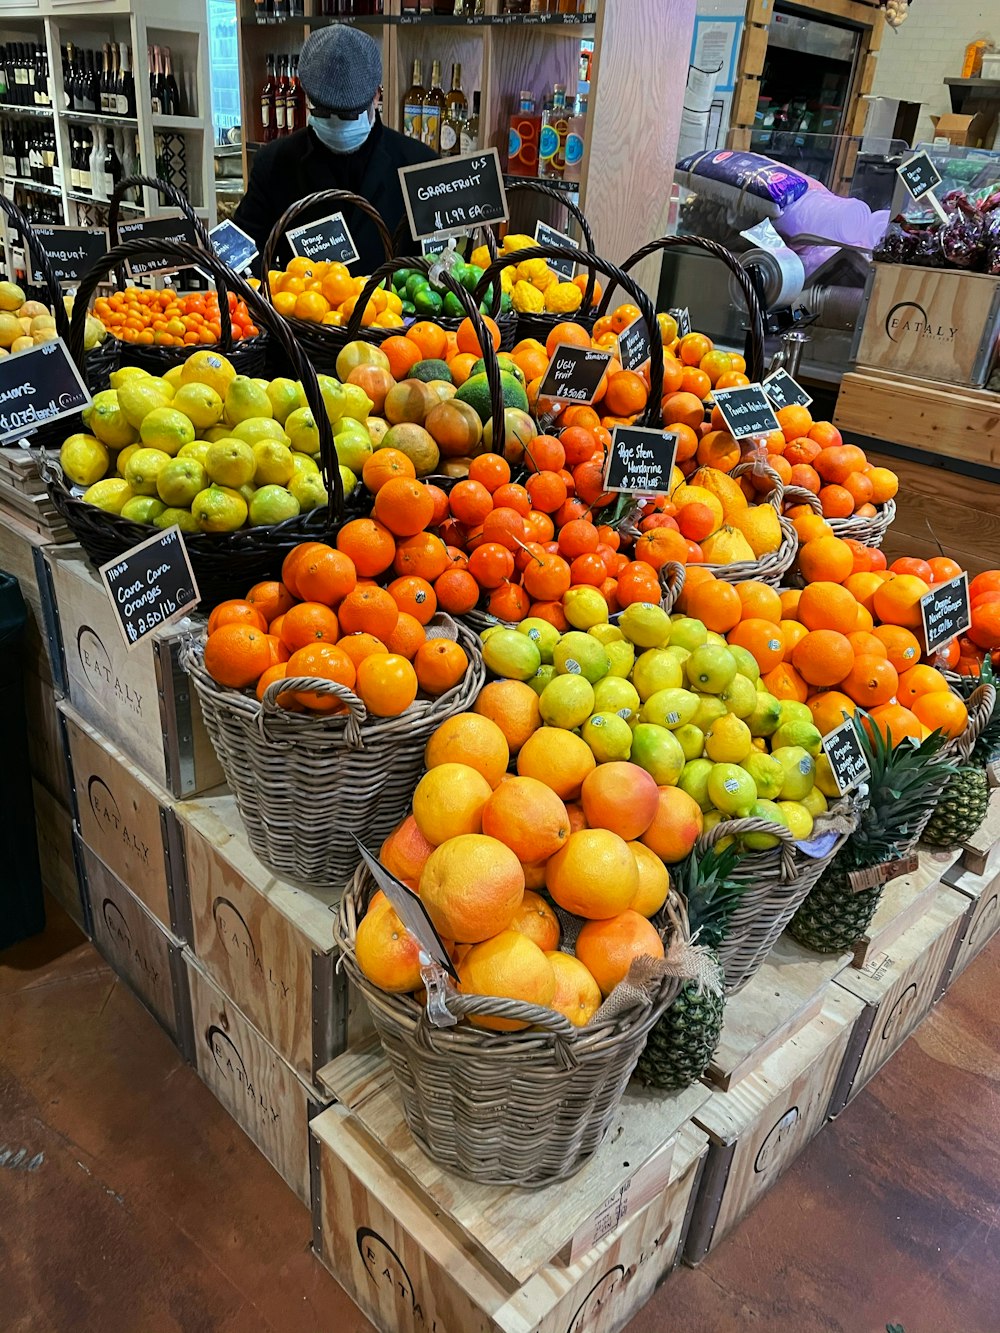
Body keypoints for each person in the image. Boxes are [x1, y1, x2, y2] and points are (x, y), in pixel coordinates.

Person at [235, 25, 436, 273]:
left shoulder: (420, 164)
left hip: (392, 309)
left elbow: (440, 261)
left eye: (348, 115)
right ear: (307, 96)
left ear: (376, 96)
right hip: (301, 308)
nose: (336, 124)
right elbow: (241, 252)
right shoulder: (274, 163)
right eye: (323, 112)